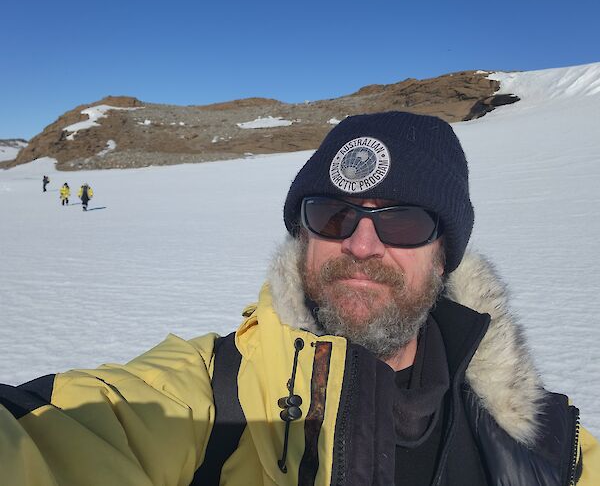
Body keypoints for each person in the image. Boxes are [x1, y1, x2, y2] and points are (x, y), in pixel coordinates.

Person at [1, 112, 598, 485]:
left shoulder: (545, 443)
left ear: (445, 254)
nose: (362, 244)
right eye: (334, 214)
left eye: (404, 221)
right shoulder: (217, 405)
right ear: (303, 236)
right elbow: (63, 435)